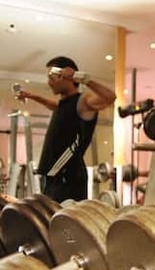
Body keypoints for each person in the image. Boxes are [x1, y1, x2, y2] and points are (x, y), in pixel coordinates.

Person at [15, 56, 117, 202]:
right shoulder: (64, 105)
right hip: (52, 177)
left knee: (64, 217)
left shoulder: (83, 101)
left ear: (65, 76)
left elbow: (110, 97)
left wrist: (81, 78)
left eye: (51, 77)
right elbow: (52, 105)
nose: (49, 82)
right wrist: (31, 96)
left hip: (67, 177)